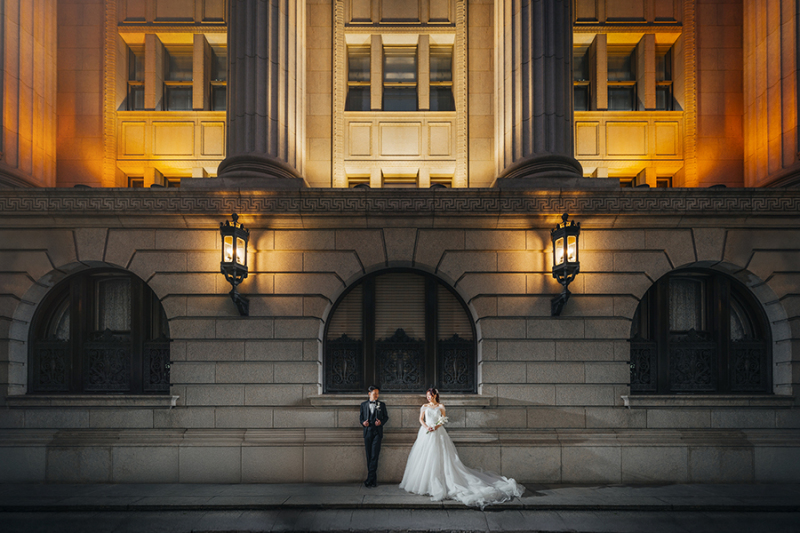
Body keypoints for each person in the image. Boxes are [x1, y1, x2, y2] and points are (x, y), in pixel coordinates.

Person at [399, 387, 524, 508]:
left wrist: (435, 427)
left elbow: (442, 420)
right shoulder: (424, 407)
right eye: (427, 396)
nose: (428, 398)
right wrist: (427, 427)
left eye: (430, 396)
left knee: (441, 456)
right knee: (424, 457)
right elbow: (421, 419)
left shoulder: (441, 406)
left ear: (435, 395)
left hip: (438, 432)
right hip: (426, 433)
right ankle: (425, 483)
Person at [359, 385, 388, 488]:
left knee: (374, 456)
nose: (376, 395)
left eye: (377, 393)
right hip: (367, 432)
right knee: (369, 456)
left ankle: (369, 479)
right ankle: (372, 480)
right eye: (374, 393)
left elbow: (386, 417)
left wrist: (381, 422)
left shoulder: (382, 405)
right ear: (369, 394)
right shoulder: (363, 405)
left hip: (377, 433)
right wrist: (363, 423)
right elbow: (361, 418)